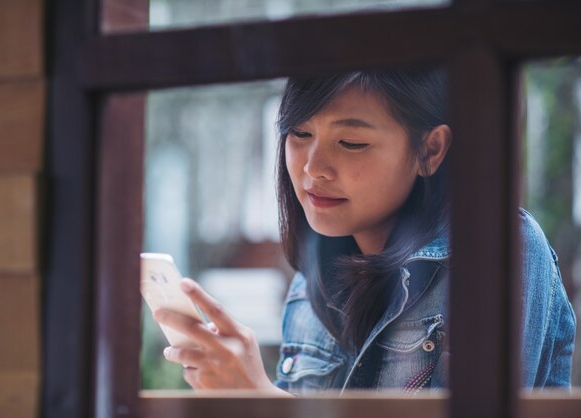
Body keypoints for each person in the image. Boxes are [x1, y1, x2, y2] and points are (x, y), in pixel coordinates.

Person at [153, 69, 576, 395]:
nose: (312, 167)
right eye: (299, 134)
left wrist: (259, 398)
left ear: (430, 150)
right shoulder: (313, 275)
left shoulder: (497, 249)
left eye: (351, 142)